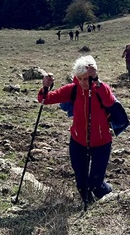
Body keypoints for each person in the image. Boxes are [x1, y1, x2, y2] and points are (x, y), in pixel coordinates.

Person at [38, 55, 116, 205]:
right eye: (79, 79)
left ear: (92, 76)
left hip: (101, 143)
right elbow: (45, 99)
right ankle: (88, 205)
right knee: (81, 183)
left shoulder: (100, 89)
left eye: (86, 79)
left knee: (95, 184)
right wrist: (46, 87)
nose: (82, 82)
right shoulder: (73, 90)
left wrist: (97, 81)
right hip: (78, 142)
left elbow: (109, 101)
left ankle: (108, 192)